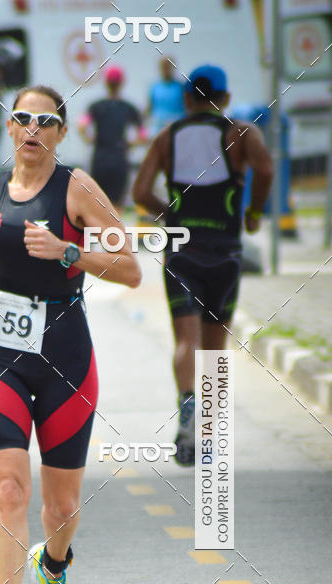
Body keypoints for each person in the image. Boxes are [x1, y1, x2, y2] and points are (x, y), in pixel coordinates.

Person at [0, 84, 141, 584]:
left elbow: (131, 269)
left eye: (46, 120)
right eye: (22, 118)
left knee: (61, 508)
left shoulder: (78, 188)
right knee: (9, 489)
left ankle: (53, 566)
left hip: (67, 356)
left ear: (61, 132)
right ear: (9, 128)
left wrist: (67, 253)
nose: (32, 128)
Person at [133, 65, 273, 465]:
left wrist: (170, 216)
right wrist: (255, 213)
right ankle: (210, 434)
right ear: (226, 99)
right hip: (226, 253)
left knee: (185, 342)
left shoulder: (167, 137)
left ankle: (187, 408)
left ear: (186, 100)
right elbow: (265, 169)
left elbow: (140, 191)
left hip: (182, 253)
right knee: (216, 349)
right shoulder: (242, 133)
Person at [78, 66, 144, 214]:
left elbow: (81, 125)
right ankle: (115, 235)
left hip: (100, 157)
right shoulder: (129, 108)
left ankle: (99, 235)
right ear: (122, 83)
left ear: (106, 83)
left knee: (98, 203)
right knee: (117, 206)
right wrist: (131, 144)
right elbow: (143, 135)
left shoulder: (96, 106)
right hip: (119, 158)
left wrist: (90, 139)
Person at [146, 57, 185, 135]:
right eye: (163, 67)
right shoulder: (155, 87)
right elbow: (149, 108)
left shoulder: (181, 87)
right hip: (158, 130)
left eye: (168, 66)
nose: (165, 69)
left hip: (177, 130)